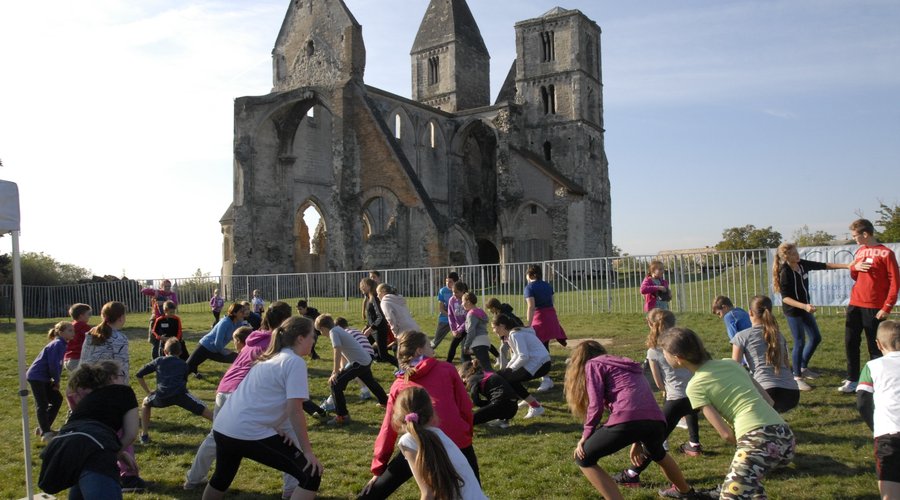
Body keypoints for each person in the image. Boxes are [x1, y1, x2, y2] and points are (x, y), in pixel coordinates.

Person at [185, 302, 319, 495]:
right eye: (312, 337)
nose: (313, 341)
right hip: (245, 431)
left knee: (222, 477)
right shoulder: (293, 361)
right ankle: (290, 490)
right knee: (310, 474)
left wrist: (276, 428)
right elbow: (295, 410)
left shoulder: (268, 358)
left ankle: (194, 479)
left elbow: (256, 399)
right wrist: (307, 452)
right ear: (300, 338)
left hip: (223, 426)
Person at [659, 327, 795, 500]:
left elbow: (725, 434)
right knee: (749, 489)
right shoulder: (731, 363)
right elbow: (768, 401)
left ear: (678, 358)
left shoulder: (694, 386)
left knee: (730, 495)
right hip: (785, 436)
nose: (663, 356)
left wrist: (746, 449)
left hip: (756, 441)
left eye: (665, 353)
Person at [564, 340, 696, 499]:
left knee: (583, 458)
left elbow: (595, 406)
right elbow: (638, 402)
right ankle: (685, 491)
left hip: (627, 419)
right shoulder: (626, 365)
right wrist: (637, 442)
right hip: (656, 420)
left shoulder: (593, 364)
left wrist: (585, 436)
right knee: (658, 453)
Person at [359, 331, 478, 499]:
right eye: (429, 346)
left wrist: (378, 469)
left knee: (377, 489)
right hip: (451, 441)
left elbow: (388, 428)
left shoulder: (398, 384)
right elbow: (465, 406)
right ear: (418, 351)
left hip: (419, 443)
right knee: (473, 490)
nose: (433, 349)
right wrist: (465, 432)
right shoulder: (447, 369)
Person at [614, 309, 702, 489]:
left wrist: (664, 390)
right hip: (698, 393)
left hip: (676, 397)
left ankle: (632, 474)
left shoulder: (653, 351)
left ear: (649, 325)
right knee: (691, 411)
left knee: (654, 440)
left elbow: (658, 382)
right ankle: (694, 444)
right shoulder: (684, 341)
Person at [38, 361, 139, 499]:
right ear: (111, 378)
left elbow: (86, 432)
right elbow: (131, 433)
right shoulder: (124, 392)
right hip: (94, 454)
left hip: (63, 448)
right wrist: (115, 452)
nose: (124, 378)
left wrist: (117, 453)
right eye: (122, 375)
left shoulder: (89, 399)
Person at [78, 301, 146, 493]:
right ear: (121, 317)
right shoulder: (119, 339)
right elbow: (121, 370)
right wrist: (123, 397)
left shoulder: (90, 335)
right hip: (110, 391)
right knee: (122, 432)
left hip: (88, 390)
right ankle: (128, 476)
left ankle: (96, 470)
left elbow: (83, 363)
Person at [772, 242, 849, 382]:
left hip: (805, 308)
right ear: (786, 257)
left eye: (797, 252)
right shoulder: (785, 272)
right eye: (794, 254)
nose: (797, 255)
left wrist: (848, 266)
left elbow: (824, 265)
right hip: (793, 311)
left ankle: (802, 367)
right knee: (799, 342)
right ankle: (796, 377)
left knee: (815, 338)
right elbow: (786, 299)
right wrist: (804, 306)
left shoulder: (802, 264)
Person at [393, 386, 488, 500]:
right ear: (432, 412)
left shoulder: (408, 441)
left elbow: (428, 494)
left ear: (398, 415)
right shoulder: (438, 434)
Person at [840, 218, 900, 393]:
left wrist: (886, 307)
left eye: (855, 236)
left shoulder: (886, 253)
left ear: (865, 234)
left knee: (874, 345)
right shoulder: (859, 251)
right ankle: (852, 379)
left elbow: (895, 283)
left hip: (874, 307)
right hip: (855, 304)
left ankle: (876, 379)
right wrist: (854, 267)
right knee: (850, 341)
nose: (854, 239)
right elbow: (855, 275)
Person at [315, 314, 389, 426]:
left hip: (359, 362)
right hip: (365, 359)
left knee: (335, 383)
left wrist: (335, 373)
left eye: (319, 331)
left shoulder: (333, 332)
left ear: (323, 328)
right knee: (370, 381)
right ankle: (385, 402)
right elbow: (345, 350)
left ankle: (342, 416)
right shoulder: (338, 329)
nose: (321, 334)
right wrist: (340, 369)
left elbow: (337, 350)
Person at [732, 295, 805, 409]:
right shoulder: (779, 335)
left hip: (765, 391)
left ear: (750, 312)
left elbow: (735, 369)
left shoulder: (741, 337)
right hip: (792, 392)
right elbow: (786, 364)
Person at [136, 338, 212, 443]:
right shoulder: (184, 364)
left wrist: (148, 391)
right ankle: (221, 426)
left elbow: (139, 374)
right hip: (181, 396)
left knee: (145, 403)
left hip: (161, 396)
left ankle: (144, 435)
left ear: (165, 351)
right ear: (180, 352)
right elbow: (184, 381)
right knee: (202, 408)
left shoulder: (159, 361)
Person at [856, 320, 900, 500]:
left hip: (888, 436)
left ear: (878, 344)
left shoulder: (872, 366)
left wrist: (875, 426)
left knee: (890, 495)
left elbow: (862, 400)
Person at [493, 314, 550, 419]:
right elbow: (517, 355)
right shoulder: (514, 334)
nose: (493, 330)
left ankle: (536, 407)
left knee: (510, 380)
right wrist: (508, 368)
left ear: (501, 326)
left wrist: (510, 369)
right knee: (509, 378)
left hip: (541, 363)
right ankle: (528, 399)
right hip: (541, 361)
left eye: (494, 327)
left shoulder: (515, 335)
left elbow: (523, 356)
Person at [27, 321, 74, 441]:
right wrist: (56, 380)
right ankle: (46, 433)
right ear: (61, 332)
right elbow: (53, 364)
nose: (73, 332)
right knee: (42, 404)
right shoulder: (58, 344)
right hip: (37, 376)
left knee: (57, 399)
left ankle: (43, 427)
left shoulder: (62, 344)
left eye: (73, 330)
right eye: (69, 330)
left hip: (44, 377)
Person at [524, 264, 567, 392]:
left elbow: (531, 306)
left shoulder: (529, 287)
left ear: (530, 275)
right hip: (551, 317)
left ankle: (546, 379)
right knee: (544, 347)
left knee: (538, 349)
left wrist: (528, 324)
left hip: (540, 319)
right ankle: (544, 376)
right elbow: (552, 301)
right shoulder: (548, 285)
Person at [186, 303, 245, 377]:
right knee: (185, 370)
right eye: (241, 312)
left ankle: (239, 377)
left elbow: (241, 335)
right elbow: (218, 343)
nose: (244, 313)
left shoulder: (238, 323)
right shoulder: (225, 323)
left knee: (239, 358)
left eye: (244, 311)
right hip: (205, 347)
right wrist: (225, 351)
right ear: (234, 313)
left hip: (215, 350)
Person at [459, 359, 518, 428]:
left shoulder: (472, 378)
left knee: (469, 419)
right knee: (485, 412)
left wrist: (483, 406)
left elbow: (476, 401)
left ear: (466, 373)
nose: (464, 381)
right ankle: (502, 422)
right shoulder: (485, 374)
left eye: (463, 377)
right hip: (513, 407)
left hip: (501, 404)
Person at [361, 278, 398, 367]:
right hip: (372, 329)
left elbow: (380, 317)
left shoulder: (374, 298)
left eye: (362, 285)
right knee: (362, 347)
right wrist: (367, 326)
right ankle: (362, 368)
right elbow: (372, 316)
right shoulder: (368, 297)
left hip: (379, 330)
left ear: (368, 287)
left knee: (383, 355)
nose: (360, 287)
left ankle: (402, 367)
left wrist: (370, 329)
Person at [485, 297, 522, 369]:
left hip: (514, 333)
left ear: (494, 307)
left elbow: (510, 326)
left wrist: (509, 340)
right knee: (507, 350)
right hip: (507, 335)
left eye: (489, 308)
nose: (489, 310)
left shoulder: (505, 314)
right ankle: (510, 366)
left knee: (504, 349)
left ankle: (504, 369)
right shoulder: (498, 313)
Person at [461, 291, 492, 369]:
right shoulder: (480, 311)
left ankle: (497, 380)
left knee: (486, 368)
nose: (462, 304)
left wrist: (466, 346)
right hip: (484, 340)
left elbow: (471, 331)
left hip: (478, 343)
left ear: (468, 302)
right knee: (481, 366)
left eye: (463, 301)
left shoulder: (471, 314)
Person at [431, 271, 457, 350]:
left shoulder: (459, 290)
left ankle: (466, 355)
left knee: (463, 339)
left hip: (458, 320)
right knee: (435, 341)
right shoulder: (442, 291)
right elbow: (441, 309)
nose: (447, 283)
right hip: (445, 318)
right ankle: (425, 353)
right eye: (446, 281)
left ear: (455, 282)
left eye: (450, 282)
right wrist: (451, 316)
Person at [446, 281, 470, 363]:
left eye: (456, 292)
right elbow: (450, 316)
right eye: (453, 292)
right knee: (453, 345)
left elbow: (468, 318)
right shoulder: (451, 300)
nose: (454, 294)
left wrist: (460, 330)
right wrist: (453, 330)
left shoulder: (467, 300)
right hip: (458, 329)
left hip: (468, 327)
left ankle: (467, 363)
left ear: (463, 291)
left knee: (469, 346)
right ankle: (448, 363)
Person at [63, 303, 92, 372]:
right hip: (78, 358)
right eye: (88, 314)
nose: (89, 317)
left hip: (67, 358)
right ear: (81, 316)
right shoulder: (83, 326)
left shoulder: (72, 326)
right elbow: (93, 337)